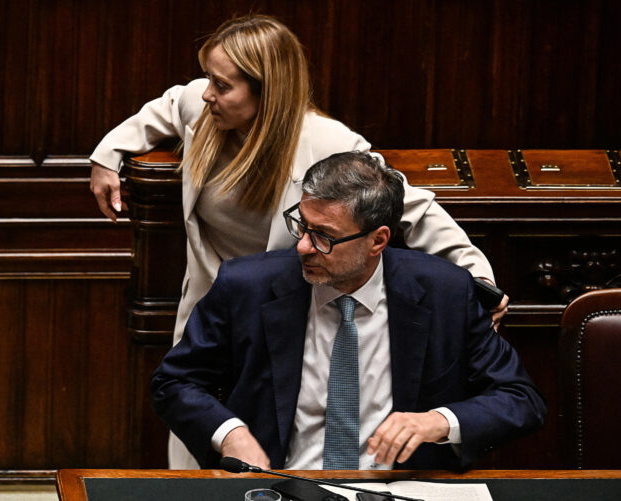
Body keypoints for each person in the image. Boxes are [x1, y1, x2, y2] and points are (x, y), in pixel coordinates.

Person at [89, 14, 508, 468]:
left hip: (283, 309)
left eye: (222, 85)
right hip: (215, 302)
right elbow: (168, 105)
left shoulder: (328, 141)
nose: (207, 92)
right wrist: (108, 155)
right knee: (201, 438)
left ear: (266, 91)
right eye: (209, 78)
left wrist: (478, 279)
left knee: (279, 443)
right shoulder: (203, 104)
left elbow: (410, 207)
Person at [150, 151, 546, 470]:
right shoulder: (247, 287)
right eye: (302, 225)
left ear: (378, 241)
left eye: (324, 236)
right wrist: (230, 433)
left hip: (399, 490)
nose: (303, 246)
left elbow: (520, 399)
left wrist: (437, 421)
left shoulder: (445, 293)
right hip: (281, 485)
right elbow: (175, 382)